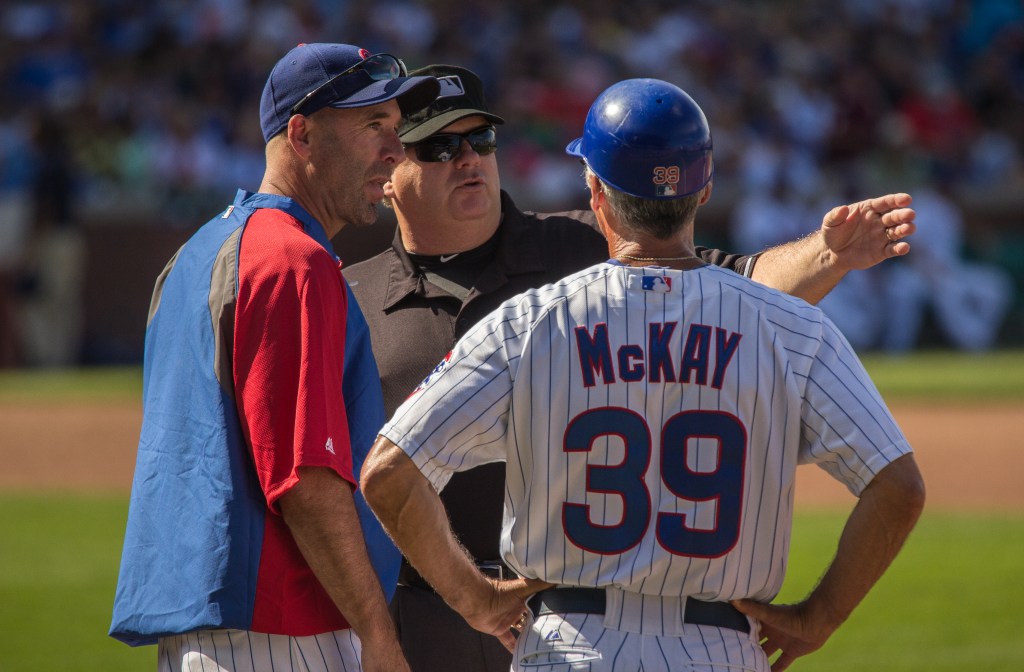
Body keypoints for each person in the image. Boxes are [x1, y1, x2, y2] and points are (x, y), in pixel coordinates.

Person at [342, 64, 917, 672]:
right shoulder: (789, 326)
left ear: (596, 192)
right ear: (705, 188)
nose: (468, 159)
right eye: (438, 147)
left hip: (565, 641)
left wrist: (478, 602)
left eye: (480, 139)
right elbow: (899, 486)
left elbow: (387, 473)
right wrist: (819, 617)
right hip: (716, 647)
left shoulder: (530, 316)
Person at [109, 43, 440, 672]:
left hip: (209, 626)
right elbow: (304, 479)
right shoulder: (291, 260)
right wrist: (378, 635)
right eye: (373, 125)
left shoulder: (197, 251)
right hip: (282, 627)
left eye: (396, 128)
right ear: (302, 135)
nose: (396, 151)